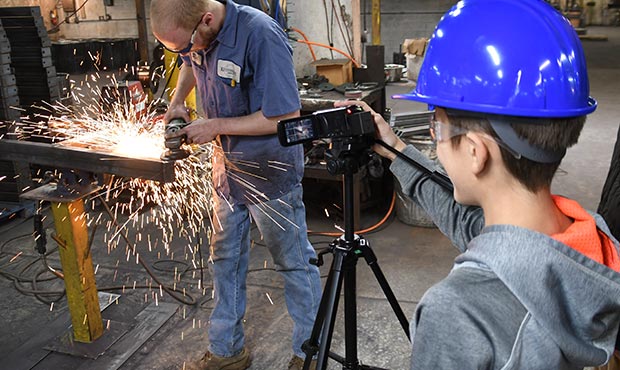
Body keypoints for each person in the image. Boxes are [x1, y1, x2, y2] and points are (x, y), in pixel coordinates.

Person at [335, 0, 620, 369]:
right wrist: (397, 150)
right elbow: (472, 224)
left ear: (475, 152)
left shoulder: (457, 312)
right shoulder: (594, 248)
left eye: (435, 125)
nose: (435, 138)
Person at [149, 1, 321, 369]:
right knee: (225, 259)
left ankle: (311, 353)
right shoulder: (197, 36)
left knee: (293, 262)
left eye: (184, 46)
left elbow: (285, 117)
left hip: (268, 171)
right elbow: (189, 62)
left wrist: (214, 126)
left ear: (206, 20)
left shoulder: (260, 34)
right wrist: (178, 101)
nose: (184, 55)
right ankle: (227, 351)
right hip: (226, 170)